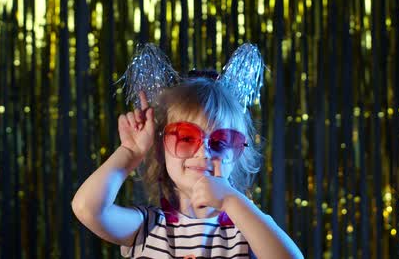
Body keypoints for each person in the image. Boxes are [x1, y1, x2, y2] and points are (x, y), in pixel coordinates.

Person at [72, 44, 304, 258]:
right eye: (185, 137)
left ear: (238, 153)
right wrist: (130, 153)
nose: (203, 152)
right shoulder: (147, 227)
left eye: (221, 141)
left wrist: (232, 201)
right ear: (161, 148)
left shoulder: (247, 227)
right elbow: (87, 208)